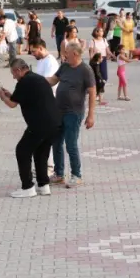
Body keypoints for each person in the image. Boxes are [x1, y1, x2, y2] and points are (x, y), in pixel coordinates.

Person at [0, 58, 59, 198]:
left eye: (13, 73)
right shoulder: (37, 78)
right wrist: (9, 95)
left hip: (39, 125)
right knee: (40, 154)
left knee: (22, 151)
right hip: (54, 123)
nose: (13, 76)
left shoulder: (24, 82)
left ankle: (28, 187)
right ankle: (44, 186)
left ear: (19, 70)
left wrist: (2, 97)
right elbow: (18, 99)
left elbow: (12, 105)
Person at [46, 39, 96, 188]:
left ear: (74, 54)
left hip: (73, 113)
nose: (64, 55)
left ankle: (76, 175)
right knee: (56, 142)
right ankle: (59, 174)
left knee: (71, 145)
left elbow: (92, 92)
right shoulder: (65, 67)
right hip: (58, 110)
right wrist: (38, 80)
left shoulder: (85, 70)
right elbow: (53, 80)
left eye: (66, 53)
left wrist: (91, 115)